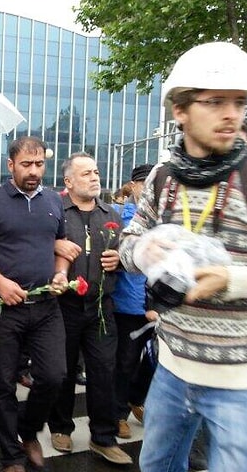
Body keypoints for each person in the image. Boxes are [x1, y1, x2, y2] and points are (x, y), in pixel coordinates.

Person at [119, 42, 247, 472]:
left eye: (240, 103)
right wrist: (143, 252)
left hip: (245, 382)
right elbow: (130, 239)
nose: (231, 115)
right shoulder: (162, 179)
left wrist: (237, 278)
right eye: (215, 102)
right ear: (179, 111)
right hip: (174, 368)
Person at [0, 136, 71, 472]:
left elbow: (60, 247)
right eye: (26, 164)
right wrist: (0, 283)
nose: (34, 171)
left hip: (46, 308)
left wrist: (61, 275)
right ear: (10, 165)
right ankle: (11, 458)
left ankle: (28, 430)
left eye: (39, 164)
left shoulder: (54, 201)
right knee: (2, 386)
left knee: (54, 376)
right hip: (2, 311)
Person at [47, 153, 131, 465]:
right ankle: (60, 427)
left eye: (96, 171)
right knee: (63, 371)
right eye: (86, 173)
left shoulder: (111, 213)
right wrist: (54, 245)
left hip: (101, 306)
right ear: (68, 182)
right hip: (63, 306)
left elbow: (126, 253)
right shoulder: (55, 211)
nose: (94, 177)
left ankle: (103, 437)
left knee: (103, 372)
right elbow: (37, 244)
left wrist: (120, 260)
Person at [111, 164, 157, 439]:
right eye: (144, 183)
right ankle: (118, 414)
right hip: (128, 303)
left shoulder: (164, 218)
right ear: (133, 185)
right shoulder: (118, 217)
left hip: (161, 304)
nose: (149, 189)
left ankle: (135, 398)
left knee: (155, 360)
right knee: (126, 361)